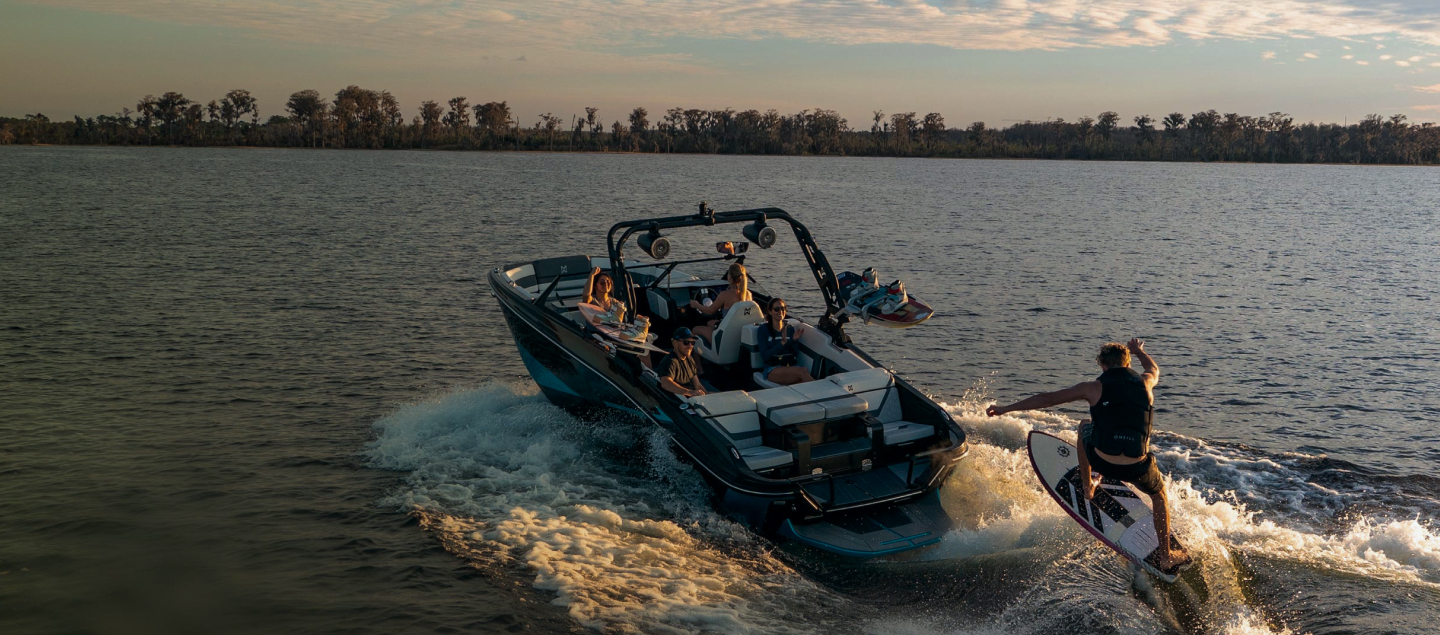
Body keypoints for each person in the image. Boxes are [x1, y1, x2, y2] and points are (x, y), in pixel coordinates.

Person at [986, 339, 1191, 572]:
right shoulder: (1146, 382)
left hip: (1103, 460)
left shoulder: (1092, 388)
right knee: (1159, 496)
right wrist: (1139, 350)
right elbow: (1154, 368)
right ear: (1127, 363)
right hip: (1137, 466)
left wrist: (1005, 408)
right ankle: (1166, 556)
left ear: (1102, 366)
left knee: (1085, 426)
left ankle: (1088, 486)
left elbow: (1047, 399)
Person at [688, 263, 752, 343]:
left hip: (725, 336)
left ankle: (696, 355)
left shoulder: (725, 295)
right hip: (738, 332)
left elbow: (709, 311)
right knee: (709, 322)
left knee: (694, 330)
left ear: (730, 277)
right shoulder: (748, 294)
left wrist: (696, 305)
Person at [756, 298, 813, 385]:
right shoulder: (763, 330)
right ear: (770, 312)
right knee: (803, 371)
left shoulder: (789, 328)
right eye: (776, 309)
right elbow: (765, 356)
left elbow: (796, 354)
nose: (780, 311)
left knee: (803, 383)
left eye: (783, 309)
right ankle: (824, 394)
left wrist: (794, 341)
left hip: (790, 366)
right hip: (772, 369)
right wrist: (781, 343)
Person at [657, 327, 706, 398]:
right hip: (681, 400)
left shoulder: (690, 359)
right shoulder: (669, 362)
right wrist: (688, 392)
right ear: (675, 343)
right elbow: (666, 383)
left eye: (692, 343)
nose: (690, 346)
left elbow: (697, 384)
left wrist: (707, 396)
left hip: (693, 398)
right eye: (686, 342)